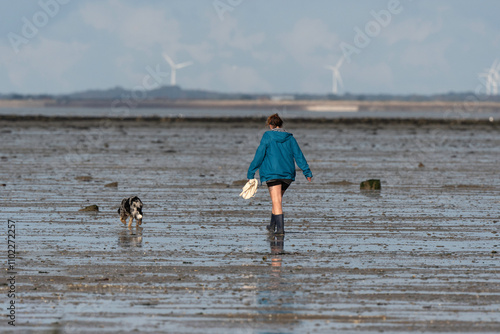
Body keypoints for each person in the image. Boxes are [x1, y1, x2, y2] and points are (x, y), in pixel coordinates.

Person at [247, 114, 312, 234]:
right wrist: (306, 172)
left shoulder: (267, 136)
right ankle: (272, 226)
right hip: (287, 174)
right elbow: (299, 155)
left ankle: (281, 231)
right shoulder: (290, 138)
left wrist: (251, 172)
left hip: (273, 173)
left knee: (276, 201)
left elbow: (259, 154)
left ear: (270, 125)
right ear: (281, 124)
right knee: (277, 200)